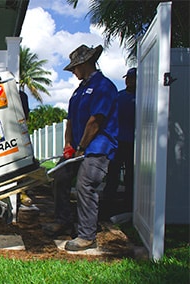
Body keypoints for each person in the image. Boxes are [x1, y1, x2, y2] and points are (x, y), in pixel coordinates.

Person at [42, 44, 118, 251]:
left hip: (97, 147)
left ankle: (86, 235)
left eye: (75, 68)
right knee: (60, 177)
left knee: (86, 184)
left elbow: (96, 121)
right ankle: (63, 219)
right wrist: (68, 144)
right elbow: (70, 122)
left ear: (85, 64)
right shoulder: (79, 91)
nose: (73, 71)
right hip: (78, 147)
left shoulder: (104, 86)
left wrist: (82, 147)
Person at [103, 68, 136, 213]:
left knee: (131, 175)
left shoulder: (141, 98)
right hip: (118, 142)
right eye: (127, 78)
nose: (128, 81)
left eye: (132, 78)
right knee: (113, 175)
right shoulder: (119, 97)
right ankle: (108, 205)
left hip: (133, 143)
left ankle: (129, 205)